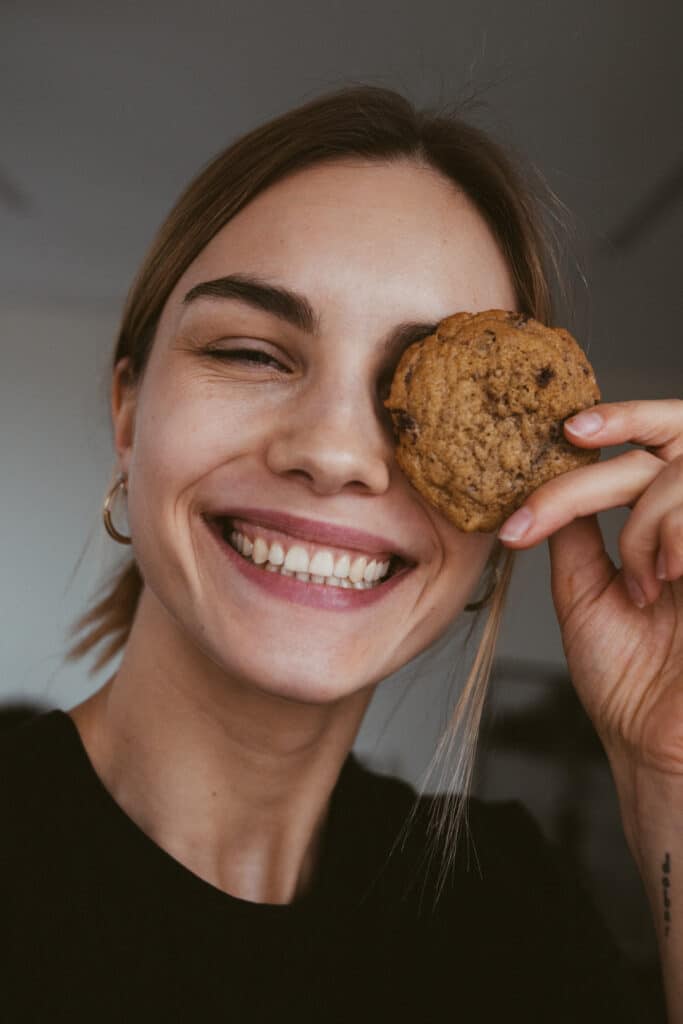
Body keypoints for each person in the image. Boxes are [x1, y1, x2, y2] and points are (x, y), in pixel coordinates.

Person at [1, 85, 680, 1022]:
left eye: (416, 387)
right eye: (252, 353)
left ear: (511, 485)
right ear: (129, 411)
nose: (332, 453)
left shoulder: (512, 914)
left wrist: (667, 774)